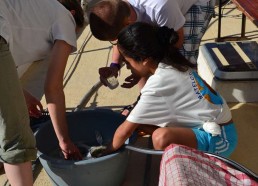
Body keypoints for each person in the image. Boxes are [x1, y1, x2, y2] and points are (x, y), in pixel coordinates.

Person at [102, 22, 238, 158]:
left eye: (127, 62)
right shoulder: (170, 62)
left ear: (145, 60)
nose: (127, 67)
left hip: (221, 139)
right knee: (137, 121)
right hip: (211, 125)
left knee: (160, 138)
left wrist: (102, 154)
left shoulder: (159, 83)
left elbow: (124, 132)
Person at [0, 0, 84, 184]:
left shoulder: (36, 8)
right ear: (72, 13)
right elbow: (53, 88)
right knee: (17, 140)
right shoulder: (66, 18)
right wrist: (65, 141)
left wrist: (21, 94)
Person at [89, 0, 215, 114]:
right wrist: (114, 65)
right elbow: (124, 42)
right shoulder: (119, 10)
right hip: (167, 11)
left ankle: (190, 106)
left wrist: (141, 70)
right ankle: (147, 103)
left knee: (181, 59)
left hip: (196, 4)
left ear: (128, 23)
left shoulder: (161, 8)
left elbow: (177, 42)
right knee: (139, 54)